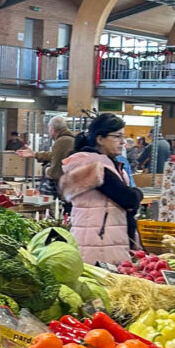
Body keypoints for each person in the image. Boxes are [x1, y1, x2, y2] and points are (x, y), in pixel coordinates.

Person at [60, 113, 143, 264]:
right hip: (99, 243)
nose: (123, 142)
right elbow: (129, 199)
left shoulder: (107, 163)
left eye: (123, 137)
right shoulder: (94, 166)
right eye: (117, 136)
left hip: (104, 239)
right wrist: (137, 194)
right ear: (100, 139)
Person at [16, 116, 75, 195]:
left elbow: (56, 172)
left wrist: (46, 170)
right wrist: (35, 154)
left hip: (63, 189)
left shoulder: (62, 142)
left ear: (52, 129)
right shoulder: (69, 139)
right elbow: (54, 155)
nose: (48, 131)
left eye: (48, 129)